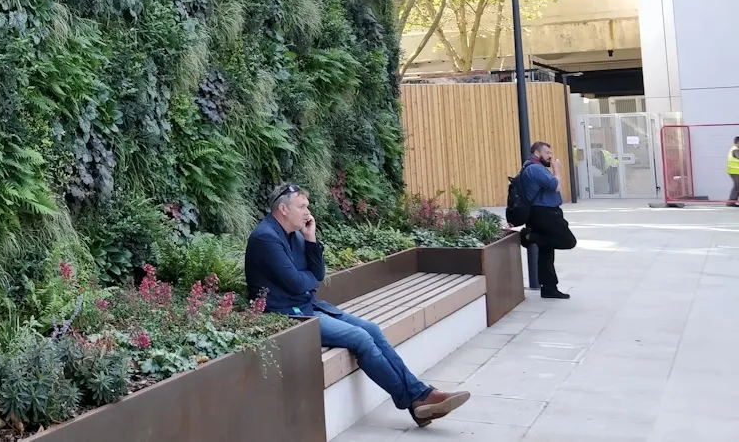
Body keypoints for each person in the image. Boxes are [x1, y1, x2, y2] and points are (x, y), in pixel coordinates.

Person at [245, 184, 471, 427]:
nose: (307, 212)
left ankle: (419, 395)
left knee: (371, 328)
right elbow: (300, 282)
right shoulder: (265, 238)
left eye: (307, 206)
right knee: (360, 338)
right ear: (283, 209)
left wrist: (311, 239)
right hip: (288, 316)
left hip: (308, 305)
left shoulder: (297, 234)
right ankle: (416, 399)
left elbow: (317, 272)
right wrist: (312, 281)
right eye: (301, 206)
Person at [519, 141, 577, 299]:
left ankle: (549, 288)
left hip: (541, 213)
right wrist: (557, 170)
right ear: (537, 154)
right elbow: (555, 185)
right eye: (547, 153)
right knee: (568, 241)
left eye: (551, 153)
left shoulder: (532, 167)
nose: (551, 157)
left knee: (546, 252)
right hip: (545, 213)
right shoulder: (535, 168)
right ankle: (530, 237)